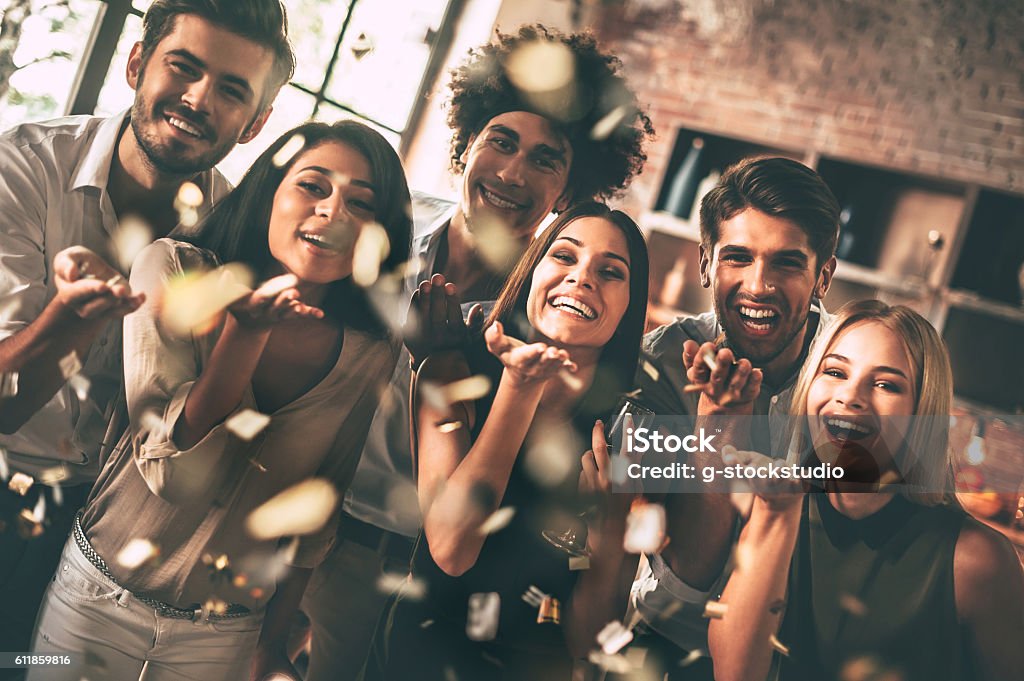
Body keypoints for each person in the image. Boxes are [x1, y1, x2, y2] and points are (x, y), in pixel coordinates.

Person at [300, 24, 653, 680]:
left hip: (456, 581)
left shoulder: (554, 316)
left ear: (570, 190)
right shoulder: (380, 245)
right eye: (501, 142)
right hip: (334, 544)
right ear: (465, 145)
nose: (514, 173)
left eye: (546, 159)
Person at [27, 120, 412, 681]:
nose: (334, 212)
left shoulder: (370, 351)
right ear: (269, 192)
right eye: (313, 186)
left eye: (362, 203)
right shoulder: (171, 270)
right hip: (93, 600)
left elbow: (317, 513)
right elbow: (173, 477)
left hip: (226, 636)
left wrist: (272, 644)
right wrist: (245, 335)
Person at [0, 0, 293, 664]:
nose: (197, 99)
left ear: (256, 124)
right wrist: (68, 321)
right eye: (182, 68)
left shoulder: (243, 240)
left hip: (101, 544)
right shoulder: (22, 168)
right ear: (137, 62)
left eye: (230, 90)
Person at [360, 201, 649, 680]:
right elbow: (452, 550)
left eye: (611, 271)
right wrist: (521, 384)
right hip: (417, 657)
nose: (582, 278)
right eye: (564, 256)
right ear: (532, 271)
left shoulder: (628, 432)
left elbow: (589, 639)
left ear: (628, 306)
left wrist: (610, 529)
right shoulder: (452, 369)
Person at [708, 300, 1024, 681]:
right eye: (836, 371)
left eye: (885, 384)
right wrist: (776, 513)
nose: (851, 396)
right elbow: (734, 673)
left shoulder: (977, 561)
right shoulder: (775, 505)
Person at [629, 157, 841, 677]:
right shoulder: (659, 366)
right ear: (706, 264)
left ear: (823, 277)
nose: (759, 285)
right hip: (666, 645)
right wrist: (719, 432)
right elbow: (682, 584)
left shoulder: (855, 368)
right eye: (738, 257)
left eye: (788, 263)